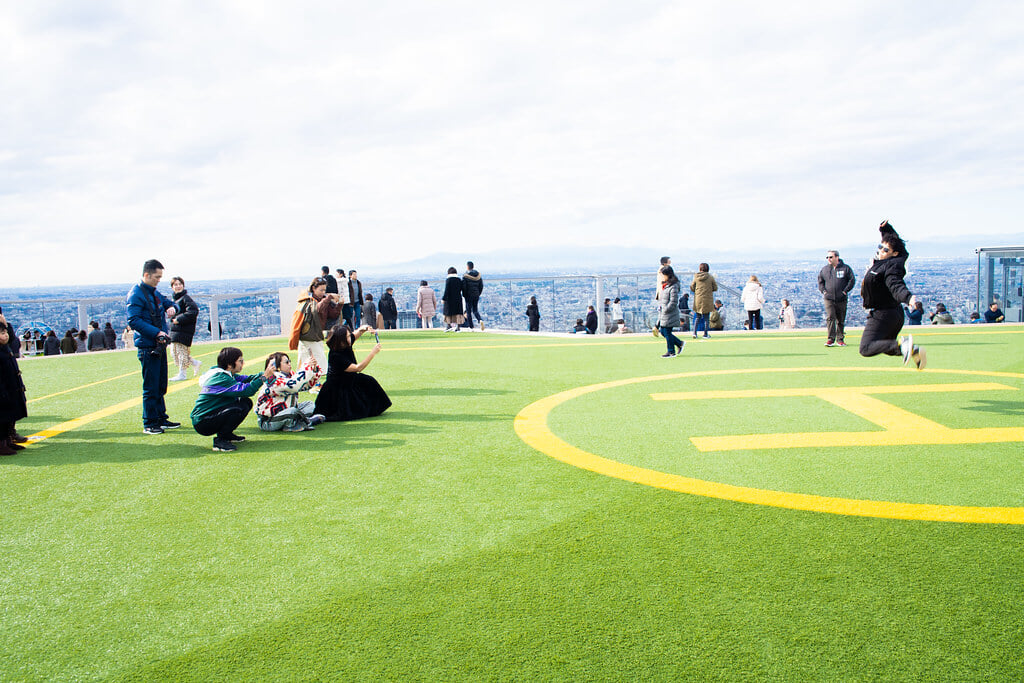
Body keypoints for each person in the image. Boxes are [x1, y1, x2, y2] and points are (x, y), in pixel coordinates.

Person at [859, 220, 925, 369]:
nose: (881, 251)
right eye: (880, 247)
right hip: (894, 314)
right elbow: (893, 240)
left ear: (894, 254)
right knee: (887, 346)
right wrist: (885, 229)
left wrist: (907, 297)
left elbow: (895, 284)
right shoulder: (885, 262)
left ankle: (905, 345)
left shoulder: (891, 267)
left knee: (866, 348)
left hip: (884, 314)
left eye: (885, 250)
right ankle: (913, 350)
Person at [126, 259, 180, 435]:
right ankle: (149, 422)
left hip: (158, 345)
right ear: (147, 275)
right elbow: (133, 321)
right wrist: (156, 333)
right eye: (156, 277)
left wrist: (172, 307)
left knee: (160, 384)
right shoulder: (136, 294)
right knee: (151, 386)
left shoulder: (153, 293)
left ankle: (160, 418)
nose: (158, 280)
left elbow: (170, 303)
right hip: (148, 346)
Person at [191, 346, 274, 452]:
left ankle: (226, 434)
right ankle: (220, 441)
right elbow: (247, 390)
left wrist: (265, 373)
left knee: (245, 402)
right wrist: (264, 377)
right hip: (203, 422)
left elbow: (247, 379)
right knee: (237, 408)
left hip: (210, 416)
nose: (243, 363)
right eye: (240, 361)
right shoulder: (220, 378)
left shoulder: (225, 374)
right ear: (230, 365)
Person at [314, 324, 391, 421]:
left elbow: (355, 335)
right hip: (338, 387)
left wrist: (364, 328)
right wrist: (373, 353)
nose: (350, 337)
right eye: (347, 336)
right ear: (341, 340)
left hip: (350, 380)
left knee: (369, 381)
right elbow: (358, 368)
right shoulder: (336, 356)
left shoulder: (345, 343)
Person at [288, 277, 341, 393]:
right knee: (316, 361)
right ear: (313, 288)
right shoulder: (308, 301)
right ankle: (313, 384)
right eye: (321, 290)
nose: (323, 292)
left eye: (324, 290)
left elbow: (332, 314)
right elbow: (317, 310)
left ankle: (305, 384)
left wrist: (340, 304)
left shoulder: (319, 300)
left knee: (308, 362)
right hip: (308, 336)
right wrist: (329, 297)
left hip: (314, 336)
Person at [256, 352, 325, 432]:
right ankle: (304, 422)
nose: (289, 364)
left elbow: (306, 386)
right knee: (292, 411)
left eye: (289, 361)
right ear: (276, 366)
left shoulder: (289, 376)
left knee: (309, 405)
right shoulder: (273, 379)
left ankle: (298, 422)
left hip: (286, 411)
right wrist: (306, 367)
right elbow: (293, 386)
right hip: (269, 421)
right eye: (286, 362)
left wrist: (313, 369)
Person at [0, 323, 28, 455]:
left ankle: (8, 440)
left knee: (10, 415)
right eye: (2, 333)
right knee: (3, 417)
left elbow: (11, 337)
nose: (5, 335)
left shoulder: (6, 348)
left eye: (5, 332)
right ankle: (1, 444)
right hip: (3, 389)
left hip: (12, 387)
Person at [818, 249, 856, 347]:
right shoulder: (825, 269)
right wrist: (824, 291)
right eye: (827, 257)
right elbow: (820, 281)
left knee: (840, 319)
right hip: (829, 298)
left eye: (831, 257)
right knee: (830, 317)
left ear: (837, 257)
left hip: (841, 298)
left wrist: (845, 291)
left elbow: (852, 280)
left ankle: (840, 339)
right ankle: (830, 339)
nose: (829, 259)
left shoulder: (845, 268)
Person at [169, 276, 202, 381]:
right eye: (175, 285)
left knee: (181, 352)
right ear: (172, 287)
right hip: (177, 329)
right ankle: (194, 363)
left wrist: (179, 319)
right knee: (174, 352)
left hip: (183, 330)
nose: (178, 286)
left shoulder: (185, 298)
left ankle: (182, 374)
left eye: (180, 284)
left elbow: (193, 311)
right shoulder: (177, 299)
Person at [657, 265, 685, 358]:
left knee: (666, 332)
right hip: (666, 312)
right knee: (663, 331)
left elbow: (673, 301)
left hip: (669, 313)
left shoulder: (673, 286)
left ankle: (671, 351)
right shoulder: (667, 285)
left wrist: (665, 309)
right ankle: (679, 343)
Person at [690, 263, 717, 338]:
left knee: (697, 317)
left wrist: (697, 290)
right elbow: (715, 287)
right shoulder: (710, 277)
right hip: (707, 299)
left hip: (698, 299)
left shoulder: (696, 276)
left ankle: (694, 333)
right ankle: (705, 334)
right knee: (706, 318)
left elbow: (692, 286)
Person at [441, 267, 465, 332]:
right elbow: (462, 289)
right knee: (458, 313)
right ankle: (458, 327)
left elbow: (447, 290)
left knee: (448, 313)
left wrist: (443, 298)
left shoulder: (448, 280)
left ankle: (448, 326)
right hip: (457, 298)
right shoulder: (459, 280)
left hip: (449, 299)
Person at [463, 261, 485, 330]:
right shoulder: (478, 276)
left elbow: (464, 287)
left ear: (467, 267)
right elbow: (481, 286)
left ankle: (471, 327)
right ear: (473, 266)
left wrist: (464, 295)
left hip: (468, 295)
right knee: (475, 310)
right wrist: (478, 293)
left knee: (468, 311)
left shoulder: (465, 276)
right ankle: (480, 319)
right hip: (476, 295)